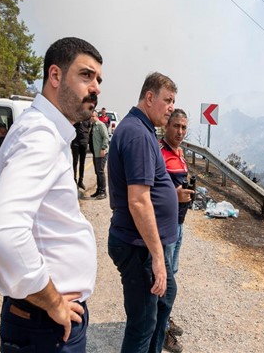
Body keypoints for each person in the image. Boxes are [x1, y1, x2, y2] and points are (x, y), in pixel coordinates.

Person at [0, 37, 103, 352]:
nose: (96, 87)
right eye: (86, 75)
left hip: (39, 322)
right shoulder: (40, 136)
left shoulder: (45, 130)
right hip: (45, 326)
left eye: (98, 79)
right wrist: (51, 302)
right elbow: (2, 233)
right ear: (55, 76)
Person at [107, 72, 192, 353]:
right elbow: (139, 201)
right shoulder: (138, 135)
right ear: (149, 97)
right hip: (138, 245)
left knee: (166, 297)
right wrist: (157, 257)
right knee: (142, 322)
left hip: (143, 243)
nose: (171, 107)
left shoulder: (141, 130)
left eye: (173, 101)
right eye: (168, 100)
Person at [159, 109, 193, 353]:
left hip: (179, 224)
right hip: (165, 227)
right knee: (166, 282)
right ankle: (161, 333)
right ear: (166, 126)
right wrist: (175, 195)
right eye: (176, 126)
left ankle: (165, 320)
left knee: (174, 272)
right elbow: (150, 191)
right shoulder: (159, 152)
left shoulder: (180, 153)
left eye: (183, 127)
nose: (180, 132)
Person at [89, 110, 109, 199]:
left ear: (97, 116)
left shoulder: (100, 125)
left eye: (93, 116)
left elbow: (106, 137)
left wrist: (103, 148)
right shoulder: (93, 126)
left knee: (100, 172)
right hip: (95, 152)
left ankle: (103, 191)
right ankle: (98, 190)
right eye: (90, 116)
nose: (91, 118)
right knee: (97, 172)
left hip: (101, 152)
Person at [71, 119, 92, 190]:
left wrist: (87, 138)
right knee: (75, 162)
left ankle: (81, 181)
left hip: (84, 142)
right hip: (75, 142)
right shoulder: (75, 117)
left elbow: (89, 128)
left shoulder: (87, 119)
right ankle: (74, 180)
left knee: (82, 163)